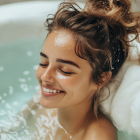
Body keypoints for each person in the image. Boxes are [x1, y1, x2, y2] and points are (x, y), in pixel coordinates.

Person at [35, 0, 140, 139]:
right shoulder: (46, 104)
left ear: (101, 79)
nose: (44, 77)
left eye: (65, 70)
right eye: (44, 63)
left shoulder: (97, 136)